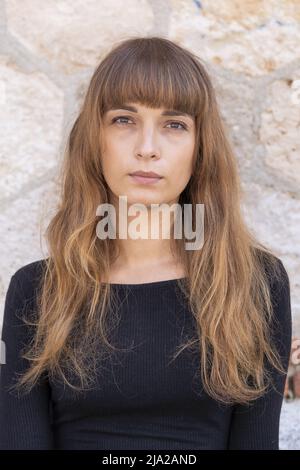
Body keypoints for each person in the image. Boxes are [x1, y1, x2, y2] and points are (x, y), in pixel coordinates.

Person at [0, 36, 292, 450]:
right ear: (94, 139)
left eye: (174, 125)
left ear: (200, 148)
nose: (147, 149)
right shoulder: (36, 291)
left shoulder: (257, 283)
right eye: (124, 120)